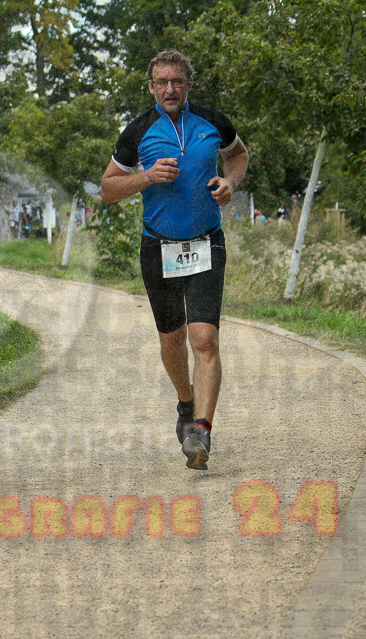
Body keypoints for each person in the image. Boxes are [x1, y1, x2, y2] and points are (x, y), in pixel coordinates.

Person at [100, 49, 249, 470]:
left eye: (177, 81)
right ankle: (186, 405)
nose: (170, 89)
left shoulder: (214, 123)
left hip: (206, 242)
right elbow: (107, 189)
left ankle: (201, 430)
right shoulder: (137, 132)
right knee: (172, 341)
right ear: (150, 86)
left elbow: (238, 155)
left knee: (204, 339)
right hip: (158, 247)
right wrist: (146, 176)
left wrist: (230, 183)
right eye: (162, 82)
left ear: (188, 85)